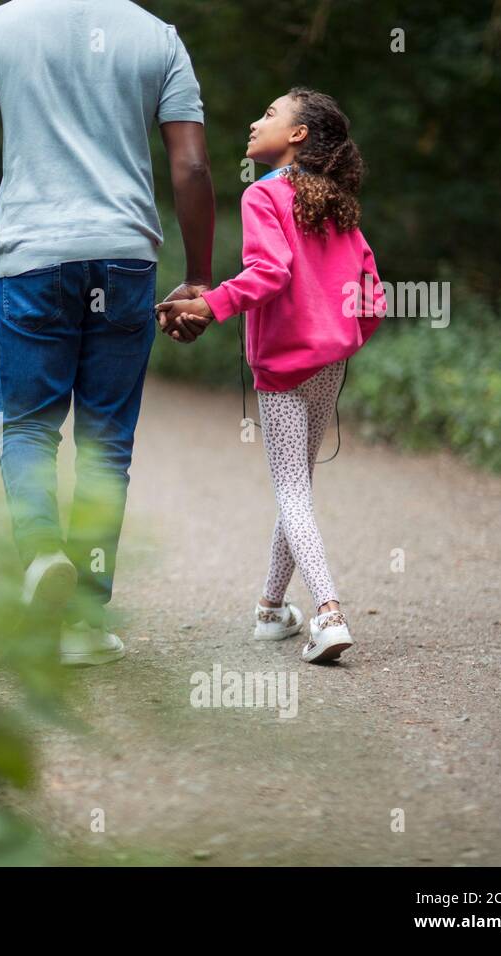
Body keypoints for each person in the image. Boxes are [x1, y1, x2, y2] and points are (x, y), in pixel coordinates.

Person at [0, 0, 215, 666]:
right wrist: (199, 276)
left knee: (28, 427)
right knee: (106, 440)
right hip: (125, 258)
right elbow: (194, 168)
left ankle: (42, 554)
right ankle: (84, 622)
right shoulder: (158, 38)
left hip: (34, 259)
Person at [161, 88, 387, 663]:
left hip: (284, 366)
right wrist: (343, 339)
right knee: (299, 487)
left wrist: (211, 305)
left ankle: (329, 612)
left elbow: (269, 273)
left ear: (298, 135)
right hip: (328, 363)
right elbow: (373, 294)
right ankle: (270, 610)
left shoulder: (264, 196)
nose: (253, 121)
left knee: (291, 488)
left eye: (268, 114)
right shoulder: (335, 203)